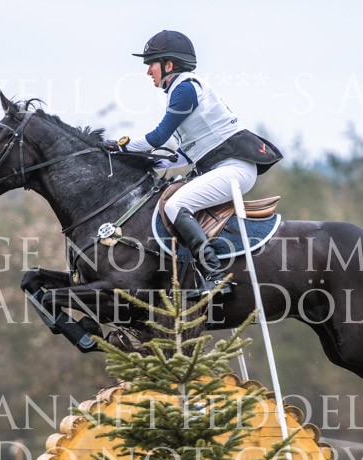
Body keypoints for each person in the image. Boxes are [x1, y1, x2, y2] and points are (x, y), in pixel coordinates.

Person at [108, 30, 283, 297]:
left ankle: (215, 275)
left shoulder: (185, 89)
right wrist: (144, 164)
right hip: (223, 166)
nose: (148, 72)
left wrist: (121, 146)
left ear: (169, 64)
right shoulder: (182, 90)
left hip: (234, 168)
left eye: (151, 64)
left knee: (176, 205)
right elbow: (183, 156)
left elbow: (158, 137)